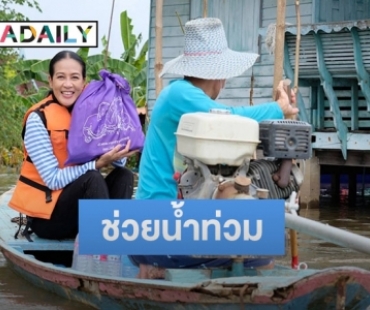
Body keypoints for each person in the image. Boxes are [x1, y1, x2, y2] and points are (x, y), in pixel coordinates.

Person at [131, 17, 298, 279]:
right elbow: (229, 115)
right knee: (262, 252)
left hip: (163, 223)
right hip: (158, 224)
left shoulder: (185, 98)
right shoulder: (180, 95)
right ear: (221, 76)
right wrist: (279, 108)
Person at [9, 51, 136, 240]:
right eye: (61, 77)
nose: (68, 84)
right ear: (51, 81)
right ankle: (102, 246)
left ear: (83, 82)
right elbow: (52, 179)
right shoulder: (38, 119)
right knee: (92, 177)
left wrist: (119, 153)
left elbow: (119, 163)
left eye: (74, 77)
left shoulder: (92, 114)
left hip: (78, 206)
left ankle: (115, 238)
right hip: (47, 217)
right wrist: (97, 164)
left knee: (124, 176)